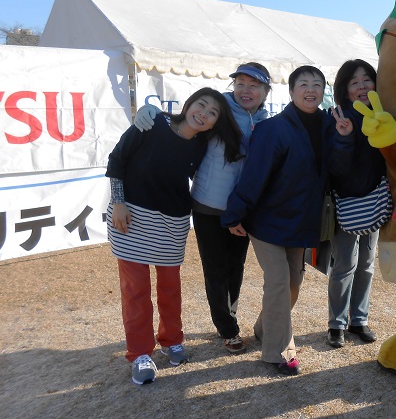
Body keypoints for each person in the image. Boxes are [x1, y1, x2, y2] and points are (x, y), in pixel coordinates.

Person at [220, 65, 353, 376]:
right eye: (303, 83)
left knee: (293, 283)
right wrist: (235, 213)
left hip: (300, 220)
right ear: (291, 92)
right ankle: (280, 351)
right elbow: (254, 177)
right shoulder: (273, 129)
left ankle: (265, 328)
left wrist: (345, 138)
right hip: (266, 220)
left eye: (317, 84)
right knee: (279, 279)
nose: (311, 88)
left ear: (324, 91)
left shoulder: (329, 125)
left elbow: (338, 166)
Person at [134, 63, 272, 355]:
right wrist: (152, 113)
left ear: (265, 92)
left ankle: (228, 317)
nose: (246, 90)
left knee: (236, 268)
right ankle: (228, 328)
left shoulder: (264, 121)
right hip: (209, 205)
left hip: (243, 209)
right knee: (215, 269)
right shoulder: (219, 112)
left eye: (254, 85)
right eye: (241, 83)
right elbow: (185, 123)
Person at [107, 87, 241, 385]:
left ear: (214, 123)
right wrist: (118, 202)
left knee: (170, 288)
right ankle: (141, 353)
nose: (203, 114)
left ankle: (171, 340)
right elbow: (117, 159)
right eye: (201, 105)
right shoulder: (151, 123)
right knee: (136, 290)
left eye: (212, 113)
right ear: (189, 103)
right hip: (131, 215)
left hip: (173, 220)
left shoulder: (203, 144)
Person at [326, 59, 386, 348]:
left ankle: (359, 320)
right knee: (345, 265)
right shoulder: (336, 116)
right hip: (347, 202)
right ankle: (336, 324)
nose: (362, 86)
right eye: (354, 82)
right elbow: (336, 167)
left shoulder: (384, 113)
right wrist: (344, 137)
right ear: (344, 89)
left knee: (367, 265)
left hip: (376, 198)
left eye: (367, 80)